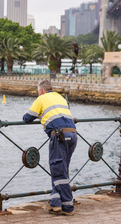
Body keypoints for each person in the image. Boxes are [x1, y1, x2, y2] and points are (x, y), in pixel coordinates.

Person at [23, 79, 77, 216]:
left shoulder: (41, 99)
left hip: (59, 136)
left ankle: (68, 206)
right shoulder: (60, 98)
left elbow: (27, 118)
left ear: (41, 91)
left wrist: (36, 114)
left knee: (58, 170)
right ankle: (55, 202)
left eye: (38, 92)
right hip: (73, 134)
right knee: (62, 169)